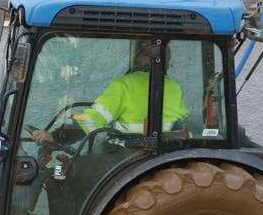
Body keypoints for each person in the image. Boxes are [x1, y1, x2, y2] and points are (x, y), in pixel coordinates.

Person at [32, 45, 189, 145]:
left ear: (144, 58)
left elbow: (93, 120)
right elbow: (182, 125)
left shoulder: (125, 85)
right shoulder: (175, 87)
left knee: (80, 172)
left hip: (128, 154)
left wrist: (56, 136)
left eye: (138, 53)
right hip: (161, 154)